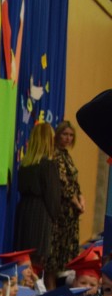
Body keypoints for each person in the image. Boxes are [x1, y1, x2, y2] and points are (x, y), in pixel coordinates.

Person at [15, 122, 63, 287]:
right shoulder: (48, 165)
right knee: (37, 262)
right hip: (41, 215)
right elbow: (53, 198)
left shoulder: (25, 164)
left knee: (23, 260)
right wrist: (55, 218)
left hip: (24, 212)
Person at [49, 120, 85, 283]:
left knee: (66, 255)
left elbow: (74, 182)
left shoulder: (66, 155)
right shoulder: (55, 154)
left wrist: (81, 197)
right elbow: (63, 183)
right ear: (58, 134)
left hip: (71, 213)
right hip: (61, 212)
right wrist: (76, 202)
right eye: (65, 134)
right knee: (56, 255)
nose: (68, 138)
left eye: (71, 135)